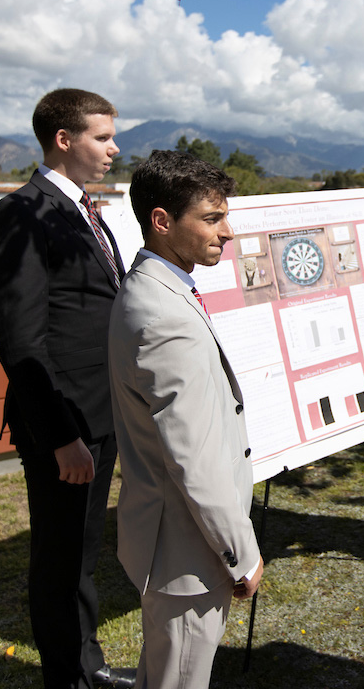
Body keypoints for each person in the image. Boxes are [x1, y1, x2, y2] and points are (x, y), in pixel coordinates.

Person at [0, 89, 133, 689]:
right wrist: (61, 436)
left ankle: (87, 667)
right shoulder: (20, 214)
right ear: (64, 140)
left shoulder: (87, 212)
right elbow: (21, 342)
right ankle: (68, 680)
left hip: (103, 412)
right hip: (66, 424)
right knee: (60, 560)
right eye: (103, 137)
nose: (114, 148)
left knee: (83, 553)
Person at [109, 151, 263, 689]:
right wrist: (240, 553)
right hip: (187, 552)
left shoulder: (156, 291)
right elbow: (192, 456)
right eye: (212, 218)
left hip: (179, 541)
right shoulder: (162, 314)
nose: (228, 232)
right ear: (162, 221)